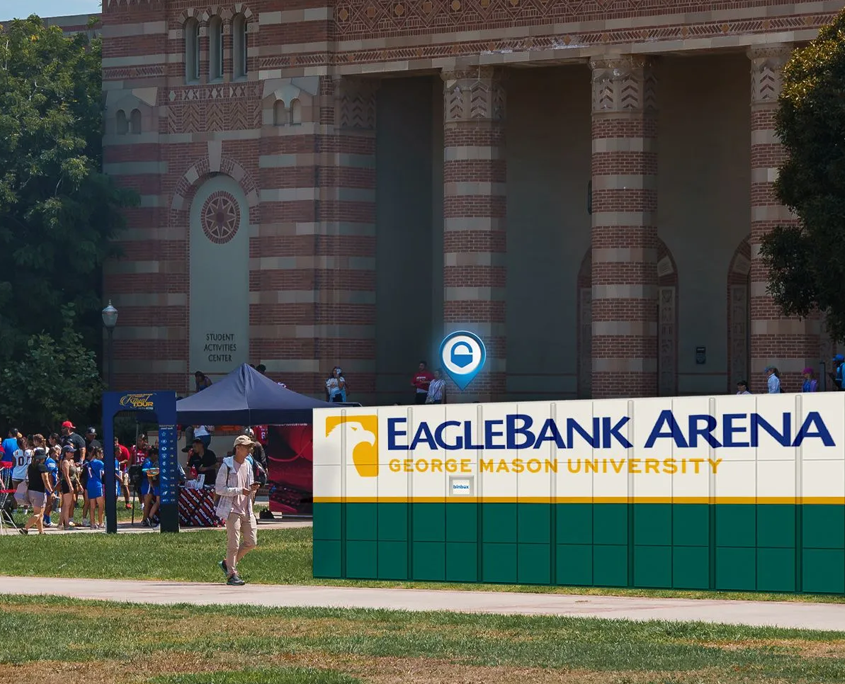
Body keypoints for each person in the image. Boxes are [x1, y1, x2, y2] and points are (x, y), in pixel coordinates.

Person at [215, 434, 261, 586]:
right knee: (233, 544)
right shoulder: (226, 466)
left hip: (246, 508)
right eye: (247, 447)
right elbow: (219, 489)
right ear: (238, 448)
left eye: (250, 447)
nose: (249, 449)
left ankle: (227, 563)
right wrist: (240, 490)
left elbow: (248, 486)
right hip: (231, 509)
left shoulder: (248, 465)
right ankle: (231, 574)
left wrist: (252, 489)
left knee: (252, 542)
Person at [20, 447, 54, 535]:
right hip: (39, 492)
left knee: (40, 514)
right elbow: (45, 480)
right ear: (43, 458)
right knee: (38, 514)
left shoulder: (30, 466)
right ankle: (25, 528)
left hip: (31, 491)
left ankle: (41, 531)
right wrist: (51, 491)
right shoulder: (42, 467)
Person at [86, 446, 106, 530]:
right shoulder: (100, 463)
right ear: (98, 453)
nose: (103, 455)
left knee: (92, 505)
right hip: (97, 484)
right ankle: (101, 522)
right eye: (102, 453)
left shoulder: (89, 463)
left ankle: (92, 523)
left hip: (90, 484)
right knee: (101, 505)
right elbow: (103, 473)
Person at [141, 447, 161, 528]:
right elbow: (147, 472)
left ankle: (146, 519)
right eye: (156, 455)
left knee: (150, 503)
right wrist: (157, 471)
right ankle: (145, 519)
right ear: (153, 455)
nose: (157, 457)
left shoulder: (151, 461)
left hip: (149, 484)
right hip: (147, 484)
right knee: (147, 503)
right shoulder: (148, 462)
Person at [58, 445, 77, 530]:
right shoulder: (65, 462)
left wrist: (78, 484)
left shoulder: (72, 461)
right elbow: (66, 475)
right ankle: (66, 524)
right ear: (66, 453)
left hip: (73, 482)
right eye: (71, 452)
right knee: (67, 504)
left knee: (67, 504)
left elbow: (74, 474)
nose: (72, 453)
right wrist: (70, 486)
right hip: (66, 483)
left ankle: (60, 523)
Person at [43, 444, 60, 527]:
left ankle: (47, 520)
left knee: (50, 504)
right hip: (51, 486)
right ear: (52, 453)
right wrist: (51, 487)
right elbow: (49, 475)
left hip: (51, 486)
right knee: (49, 504)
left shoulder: (50, 461)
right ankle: (44, 520)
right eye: (56, 453)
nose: (58, 455)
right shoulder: (51, 462)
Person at [114, 437, 132, 508]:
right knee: (116, 489)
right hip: (116, 471)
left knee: (125, 485)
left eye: (115, 443)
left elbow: (128, 460)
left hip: (123, 470)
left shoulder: (123, 449)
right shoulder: (109, 449)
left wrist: (120, 464)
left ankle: (127, 502)